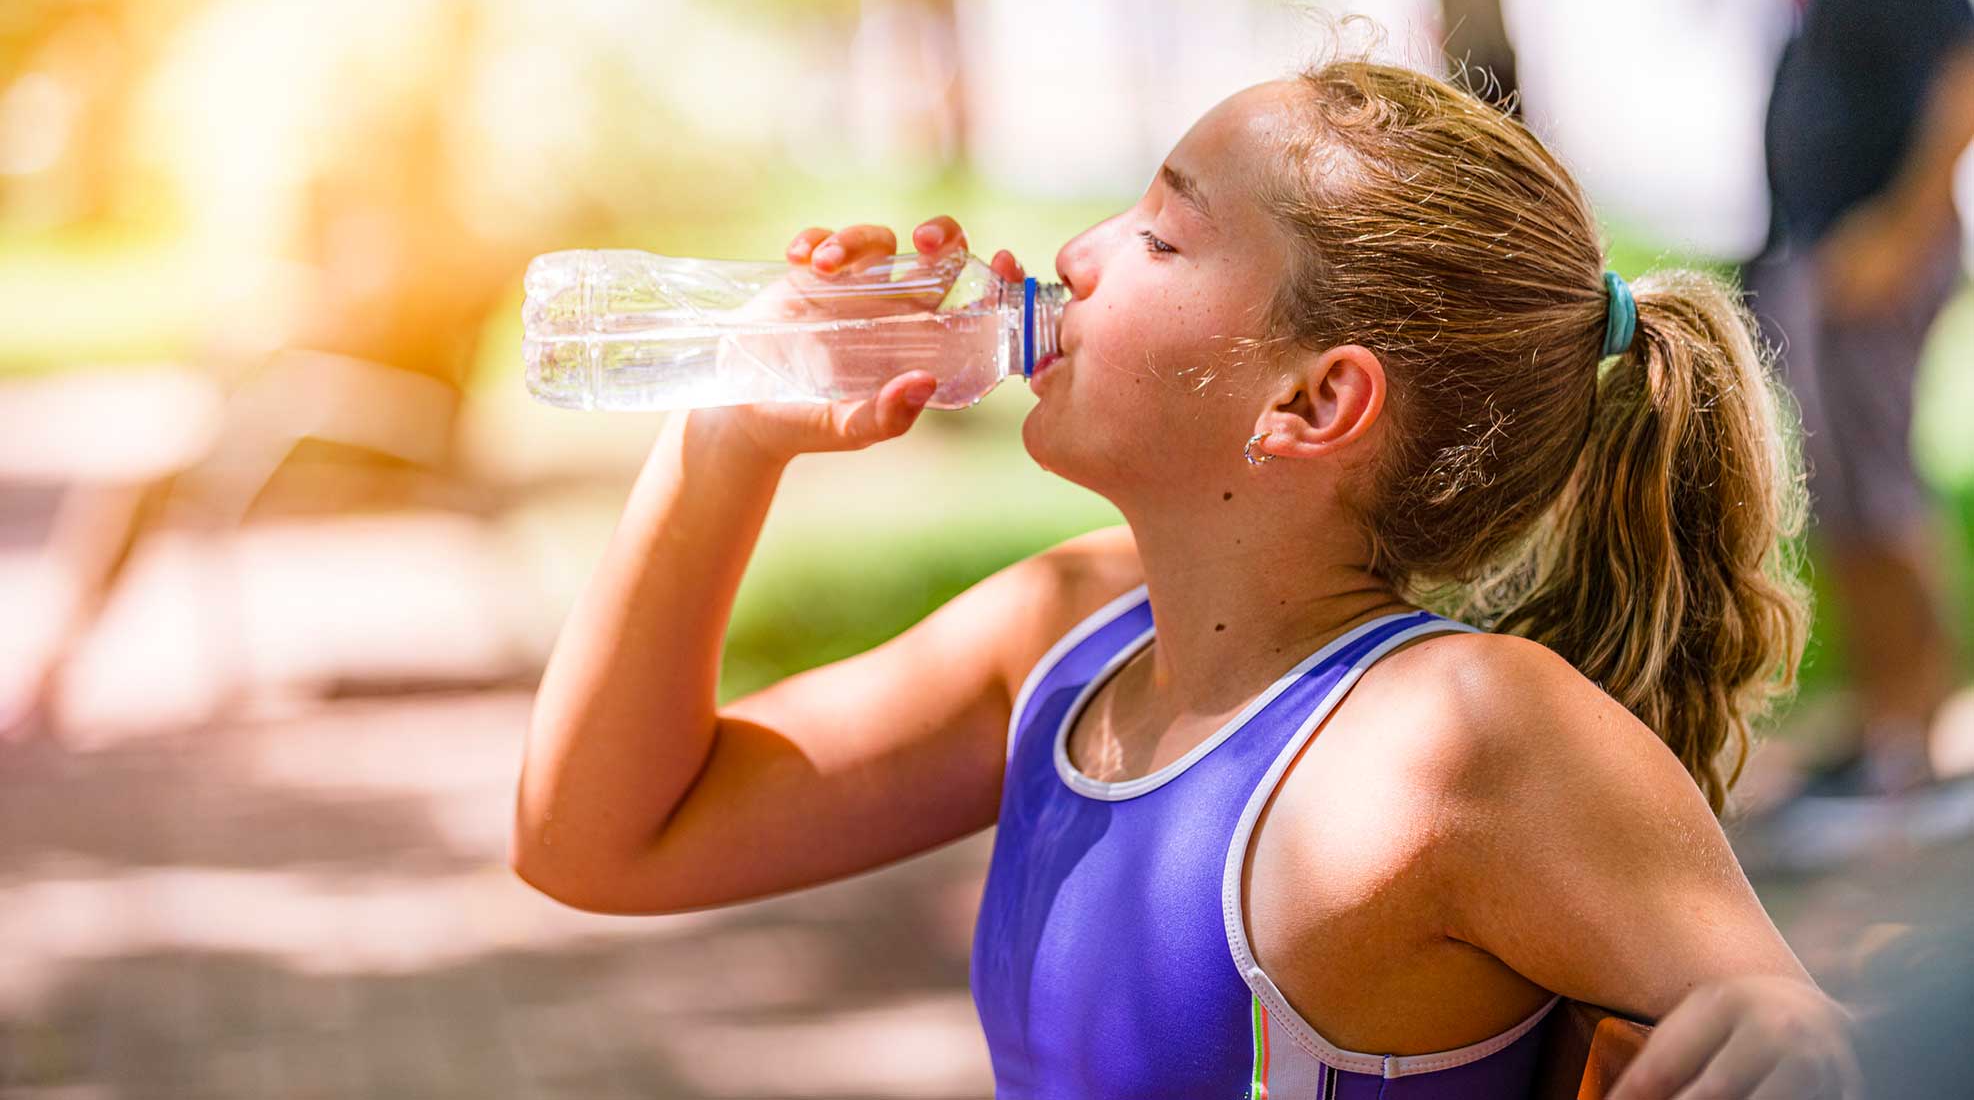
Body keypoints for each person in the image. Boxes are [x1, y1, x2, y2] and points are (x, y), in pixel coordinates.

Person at [512, 57, 1858, 1096]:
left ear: (1314, 399)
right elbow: (601, 837)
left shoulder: (1458, 736)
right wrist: (732, 431)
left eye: (1159, 235)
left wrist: (1792, 1024)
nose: (1075, 253)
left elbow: (1798, 1034)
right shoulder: (1067, 638)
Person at [1744, 0, 1974, 806]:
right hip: (1815, 244)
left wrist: (1899, 228)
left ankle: (1919, 730)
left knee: (1878, 491)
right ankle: (1886, 720)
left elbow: (1963, 65)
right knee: (1838, 493)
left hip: (1871, 246)